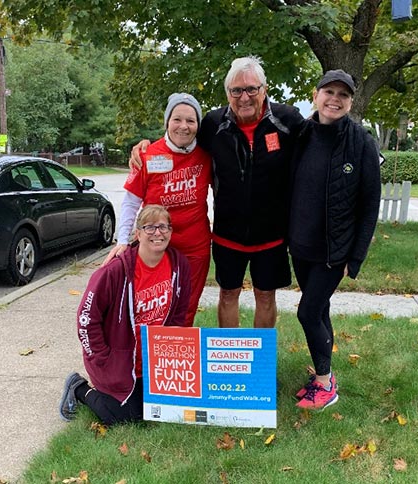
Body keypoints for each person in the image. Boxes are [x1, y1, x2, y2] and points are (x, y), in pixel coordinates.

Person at [131, 57, 305, 329]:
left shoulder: (288, 120)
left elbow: (317, 146)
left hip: (271, 234)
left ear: (265, 89)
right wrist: (145, 147)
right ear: (228, 94)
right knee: (227, 294)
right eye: (236, 91)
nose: (244, 97)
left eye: (251, 89)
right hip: (228, 234)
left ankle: (258, 363)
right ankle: (232, 358)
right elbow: (179, 136)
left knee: (266, 296)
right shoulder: (213, 123)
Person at [290, 70, 381, 411]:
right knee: (320, 309)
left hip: (334, 251)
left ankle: (326, 385)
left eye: (343, 95)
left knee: (307, 312)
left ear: (351, 102)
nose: (335, 99)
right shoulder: (301, 133)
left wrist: (354, 259)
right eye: (329, 91)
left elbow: (371, 204)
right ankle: (321, 377)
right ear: (316, 95)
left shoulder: (361, 142)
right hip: (300, 247)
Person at [59, 205, 191, 425]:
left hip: (154, 361)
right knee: (122, 417)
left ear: (170, 231)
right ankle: (79, 388)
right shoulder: (114, 272)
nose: (157, 233)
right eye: (149, 227)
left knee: (166, 411)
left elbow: (179, 316)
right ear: (137, 234)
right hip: (117, 360)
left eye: (163, 227)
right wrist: (101, 357)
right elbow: (85, 319)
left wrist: (172, 357)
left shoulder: (179, 266)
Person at [105, 93, 211, 327]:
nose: (183, 126)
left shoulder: (207, 154)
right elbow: (131, 202)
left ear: (198, 125)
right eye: (177, 119)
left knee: (187, 307)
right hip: (156, 244)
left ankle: (176, 357)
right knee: (154, 305)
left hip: (195, 247)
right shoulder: (147, 155)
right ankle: (148, 358)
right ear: (167, 122)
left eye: (191, 121)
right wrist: (122, 240)